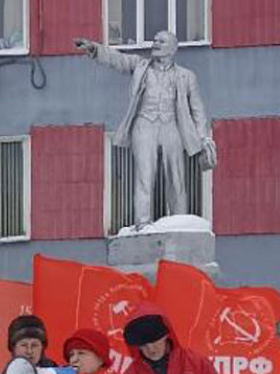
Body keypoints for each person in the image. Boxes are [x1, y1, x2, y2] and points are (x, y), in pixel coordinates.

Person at [74, 30, 215, 228]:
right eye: (154, 40)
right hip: (144, 124)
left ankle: (180, 222)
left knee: (177, 178)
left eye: (161, 41)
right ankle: (142, 223)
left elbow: (197, 110)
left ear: (173, 48)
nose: (155, 44)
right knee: (144, 176)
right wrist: (95, 49)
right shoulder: (140, 66)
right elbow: (118, 60)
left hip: (171, 126)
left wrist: (203, 137)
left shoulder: (186, 76)